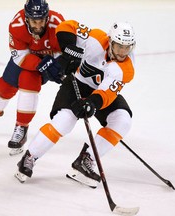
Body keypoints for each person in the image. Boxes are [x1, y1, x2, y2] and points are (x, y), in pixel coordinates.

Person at [15, 19, 136, 188]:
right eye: (119, 46)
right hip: (76, 83)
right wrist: (70, 50)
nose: (123, 52)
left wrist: (91, 104)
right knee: (64, 121)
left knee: (122, 120)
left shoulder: (126, 69)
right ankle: (30, 157)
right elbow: (67, 26)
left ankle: (86, 160)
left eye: (127, 47)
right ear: (110, 41)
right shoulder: (96, 39)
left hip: (99, 93)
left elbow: (106, 93)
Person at [0, 0, 65, 156]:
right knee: (4, 86)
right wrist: (41, 64)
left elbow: (64, 50)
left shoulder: (58, 23)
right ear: (26, 18)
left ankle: (22, 127)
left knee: (28, 80)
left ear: (47, 17)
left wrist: (59, 65)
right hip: (31, 59)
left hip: (50, 59)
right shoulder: (17, 25)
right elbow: (20, 56)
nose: (38, 26)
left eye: (41, 21)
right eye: (34, 21)